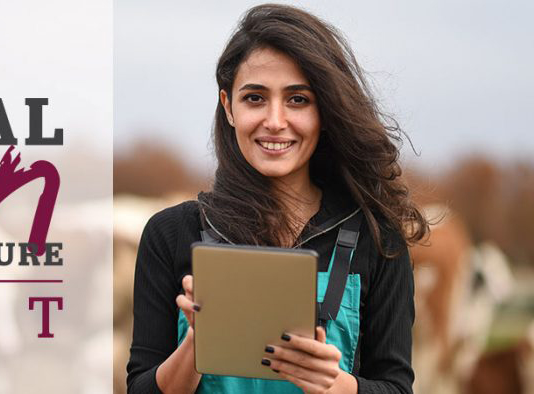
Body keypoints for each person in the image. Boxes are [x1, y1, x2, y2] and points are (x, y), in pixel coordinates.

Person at [125, 4, 429, 394]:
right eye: (254, 98)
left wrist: (333, 384)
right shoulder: (169, 234)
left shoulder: (378, 239)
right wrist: (199, 344)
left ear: (325, 110)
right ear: (228, 106)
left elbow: (397, 388)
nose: (274, 120)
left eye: (297, 100)